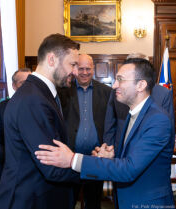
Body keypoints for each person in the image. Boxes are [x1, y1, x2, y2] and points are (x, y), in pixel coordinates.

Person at [35, 58, 175, 209]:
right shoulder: (132, 114)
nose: (114, 86)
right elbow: (132, 156)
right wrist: (111, 157)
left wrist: (73, 160)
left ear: (141, 85)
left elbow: (129, 169)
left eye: (120, 80)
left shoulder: (158, 120)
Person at [0, 34, 80, 209]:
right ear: (52, 59)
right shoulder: (34, 99)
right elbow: (52, 167)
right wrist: (95, 167)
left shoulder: (41, 94)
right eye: (73, 64)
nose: (75, 72)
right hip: (27, 201)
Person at [57, 54, 111, 209]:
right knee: (67, 201)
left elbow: (110, 123)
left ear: (93, 69)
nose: (84, 72)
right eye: (81, 68)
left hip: (95, 158)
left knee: (93, 203)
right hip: (70, 157)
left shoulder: (106, 92)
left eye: (88, 68)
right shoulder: (63, 91)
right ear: (75, 69)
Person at [103, 53, 174, 150]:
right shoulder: (116, 92)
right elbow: (110, 124)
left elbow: (168, 129)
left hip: (148, 151)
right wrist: (108, 149)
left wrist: (78, 160)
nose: (115, 85)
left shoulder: (163, 94)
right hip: (119, 148)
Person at [0, 68, 31, 190]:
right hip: (8, 172)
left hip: (35, 174)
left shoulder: (41, 108)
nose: (28, 86)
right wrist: (13, 158)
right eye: (23, 83)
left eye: (30, 83)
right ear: (14, 86)